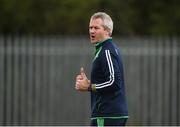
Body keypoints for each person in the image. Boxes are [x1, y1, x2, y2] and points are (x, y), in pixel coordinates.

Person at [75, 12, 128, 126]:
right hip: (110, 114)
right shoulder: (105, 49)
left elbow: (115, 82)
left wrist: (89, 87)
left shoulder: (106, 51)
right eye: (90, 27)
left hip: (107, 115)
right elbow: (109, 81)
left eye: (96, 28)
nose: (91, 31)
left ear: (108, 31)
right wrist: (90, 83)